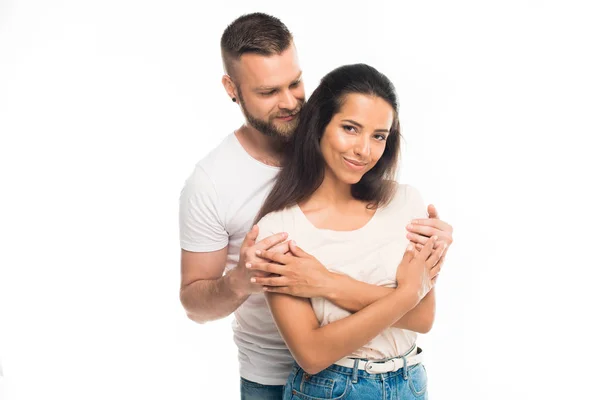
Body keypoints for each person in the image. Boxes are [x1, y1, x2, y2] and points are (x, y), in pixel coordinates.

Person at [178, 13, 454, 399]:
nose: (291, 102)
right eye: (269, 92)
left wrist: (329, 282)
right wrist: (241, 279)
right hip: (275, 374)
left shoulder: (364, 163)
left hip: (401, 374)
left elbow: (422, 316)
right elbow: (194, 303)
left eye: (295, 83)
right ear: (232, 88)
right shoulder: (215, 183)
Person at [252, 63, 443, 399]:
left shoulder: (405, 203)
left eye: (378, 136)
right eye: (350, 128)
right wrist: (405, 294)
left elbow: (423, 318)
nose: (364, 150)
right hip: (330, 388)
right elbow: (311, 354)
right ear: (319, 125)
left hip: (410, 383)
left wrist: (326, 282)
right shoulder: (278, 230)